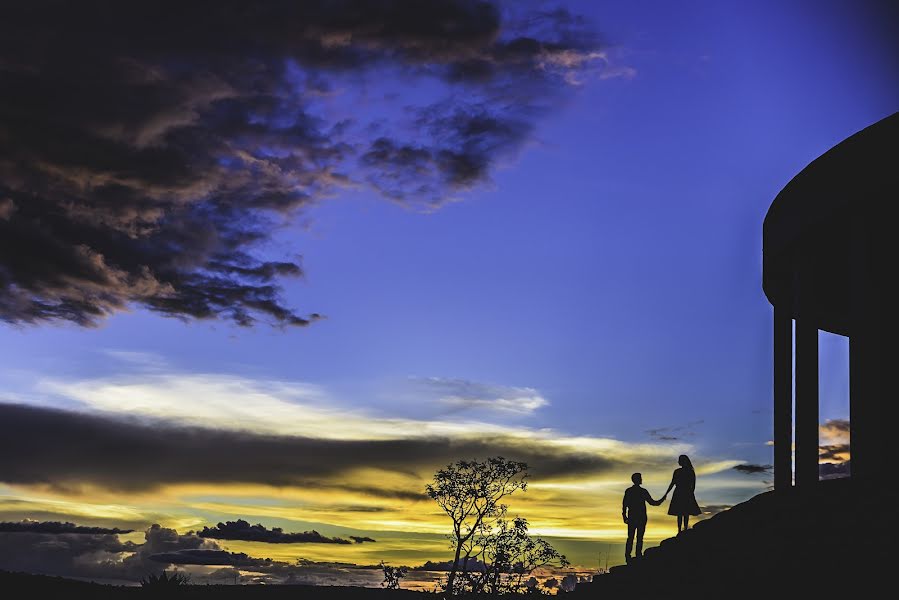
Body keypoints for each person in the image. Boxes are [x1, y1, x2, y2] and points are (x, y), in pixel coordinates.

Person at [622, 472, 666, 562]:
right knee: (636, 537)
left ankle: (632, 555)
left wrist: (624, 516)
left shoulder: (631, 491)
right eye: (640, 478)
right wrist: (661, 500)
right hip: (638, 517)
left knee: (633, 537)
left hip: (635, 517)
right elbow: (652, 502)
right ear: (637, 480)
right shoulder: (640, 491)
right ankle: (634, 555)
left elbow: (624, 505)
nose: (641, 479)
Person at [663, 454, 701, 533]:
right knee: (682, 512)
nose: (678, 462)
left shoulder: (687, 471)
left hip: (682, 492)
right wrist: (666, 493)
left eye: (680, 460)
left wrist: (690, 494)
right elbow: (673, 483)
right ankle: (681, 529)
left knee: (682, 512)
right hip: (683, 492)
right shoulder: (684, 471)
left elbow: (692, 485)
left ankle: (682, 530)